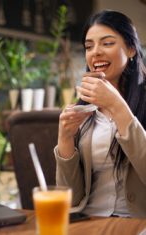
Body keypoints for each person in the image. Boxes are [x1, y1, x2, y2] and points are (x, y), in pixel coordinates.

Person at [54, 10, 146, 218]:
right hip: (89, 222)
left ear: (131, 49)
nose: (95, 52)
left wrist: (117, 105)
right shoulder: (83, 112)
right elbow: (71, 198)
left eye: (107, 43)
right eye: (89, 46)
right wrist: (65, 139)